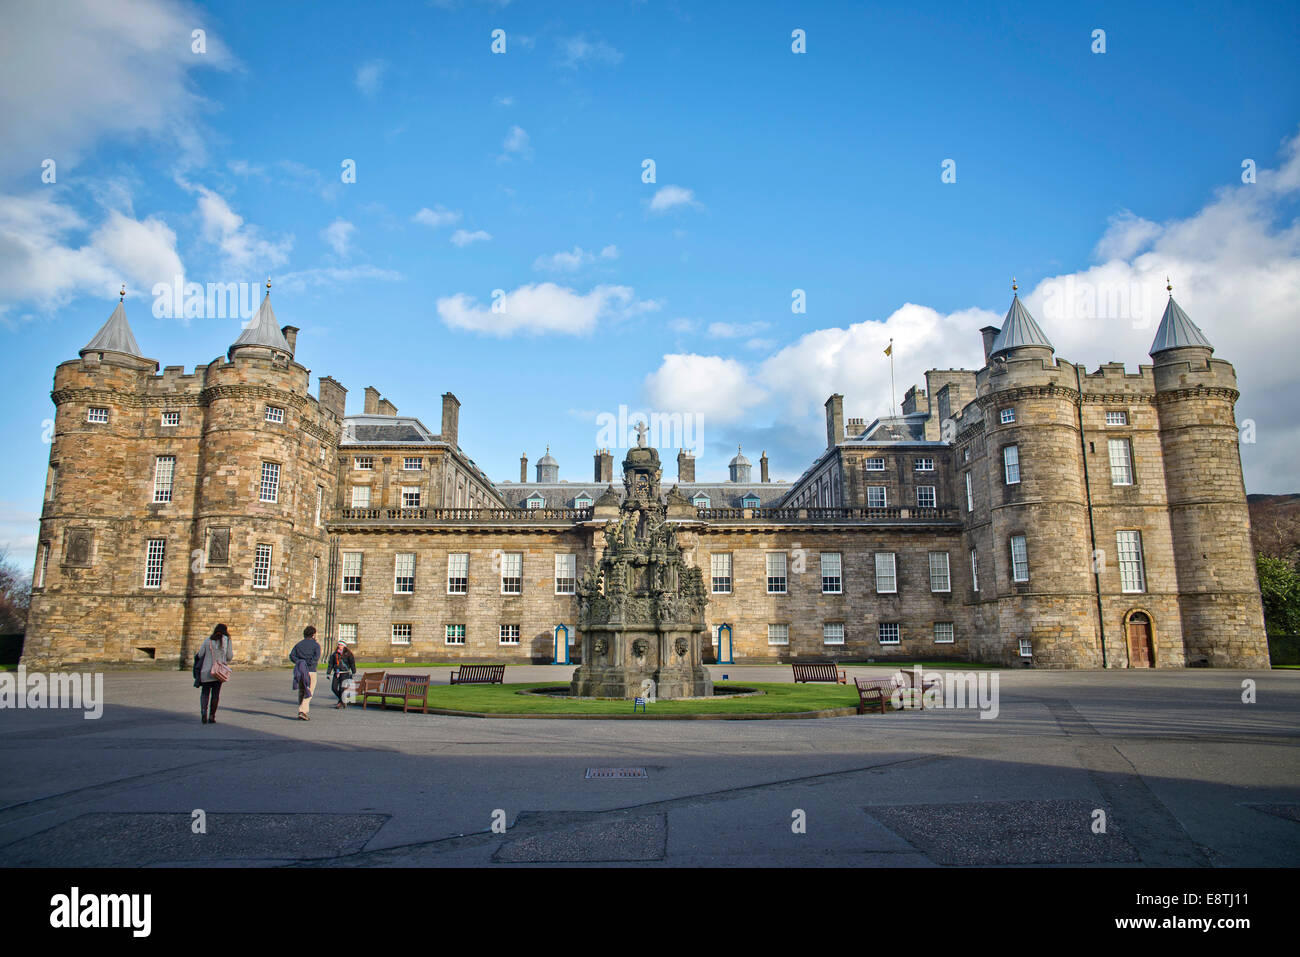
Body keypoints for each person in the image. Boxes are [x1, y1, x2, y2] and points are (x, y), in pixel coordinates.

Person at [195, 624, 232, 725]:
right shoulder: (226, 641)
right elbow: (229, 656)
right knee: (215, 694)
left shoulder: (208, 640)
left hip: (206, 671)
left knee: (205, 693)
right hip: (218, 672)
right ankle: (212, 716)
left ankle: (203, 712)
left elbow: (200, 654)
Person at [289, 626, 322, 720]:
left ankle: (301, 710)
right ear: (313, 634)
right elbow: (316, 658)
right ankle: (302, 711)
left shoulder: (299, 644)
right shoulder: (316, 645)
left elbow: (292, 656)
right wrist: (308, 663)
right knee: (309, 691)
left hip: (300, 670)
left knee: (302, 690)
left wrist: (299, 662)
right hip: (311, 671)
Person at [326, 638, 357, 709]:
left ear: (344, 646)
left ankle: (340, 702)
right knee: (334, 688)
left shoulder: (348, 654)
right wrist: (328, 673)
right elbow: (330, 664)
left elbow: (352, 663)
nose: (339, 645)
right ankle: (343, 700)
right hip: (337, 673)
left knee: (342, 688)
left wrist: (353, 672)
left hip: (345, 673)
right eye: (338, 644)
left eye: (340, 644)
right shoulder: (334, 654)